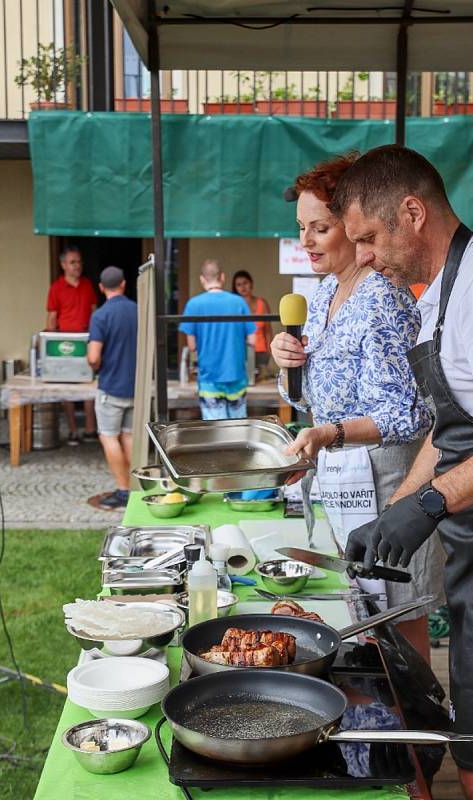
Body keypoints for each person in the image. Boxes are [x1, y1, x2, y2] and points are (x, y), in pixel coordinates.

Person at [332, 144, 473, 799]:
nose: (360, 255)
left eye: (366, 237)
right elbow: (457, 428)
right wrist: (399, 509)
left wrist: (430, 504)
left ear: (410, 213)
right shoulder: (440, 294)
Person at [270, 154, 444, 662]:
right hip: (342, 485)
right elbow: (310, 396)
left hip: (392, 488)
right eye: (302, 228)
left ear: (351, 223)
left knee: (398, 626)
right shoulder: (324, 294)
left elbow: (407, 415)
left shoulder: (382, 297)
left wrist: (328, 434)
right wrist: (287, 365)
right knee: (360, 622)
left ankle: (418, 738)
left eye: (320, 228)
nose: (306, 240)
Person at [180, 259, 255, 419]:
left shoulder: (193, 305)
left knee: (216, 433)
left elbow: (191, 346)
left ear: (202, 279)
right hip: (236, 375)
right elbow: (252, 340)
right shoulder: (239, 302)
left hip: (209, 378)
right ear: (222, 277)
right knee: (237, 431)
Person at [87, 266, 137, 510]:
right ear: (124, 284)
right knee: (128, 436)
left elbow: (94, 356)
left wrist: (93, 365)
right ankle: (135, 487)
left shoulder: (101, 315)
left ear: (101, 287)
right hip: (135, 386)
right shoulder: (139, 310)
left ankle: (123, 490)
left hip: (111, 386)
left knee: (109, 437)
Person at [46, 245, 98, 446]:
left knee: (87, 384)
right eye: (72, 262)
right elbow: (52, 317)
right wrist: (50, 345)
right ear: (63, 265)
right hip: (63, 343)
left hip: (85, 341)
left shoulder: (87, 285)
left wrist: (96, 337)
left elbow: (94, 311)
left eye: (79, 262)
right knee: (66, 388)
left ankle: (90, 429)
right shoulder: (56, 288)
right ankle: (73, 431)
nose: (77, 266)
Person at [232, 270, 273, 377]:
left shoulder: (262, 303)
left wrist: (270, 349)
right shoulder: (234, 306)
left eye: (245, 283)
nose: (243, 287)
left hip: (261, 352)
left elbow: (268, 329)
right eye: (239, 285)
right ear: (235, 288)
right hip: (240, 352)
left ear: (251, 283)